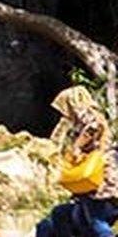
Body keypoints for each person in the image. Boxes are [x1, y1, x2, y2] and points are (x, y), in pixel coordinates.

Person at [36, 86, 118, 237]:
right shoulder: (95, 117)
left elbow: (93, 128)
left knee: (96, 222)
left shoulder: (87, 116)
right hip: (102, 183)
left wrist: (77, 146)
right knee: (70, 216)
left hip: (99, 184)